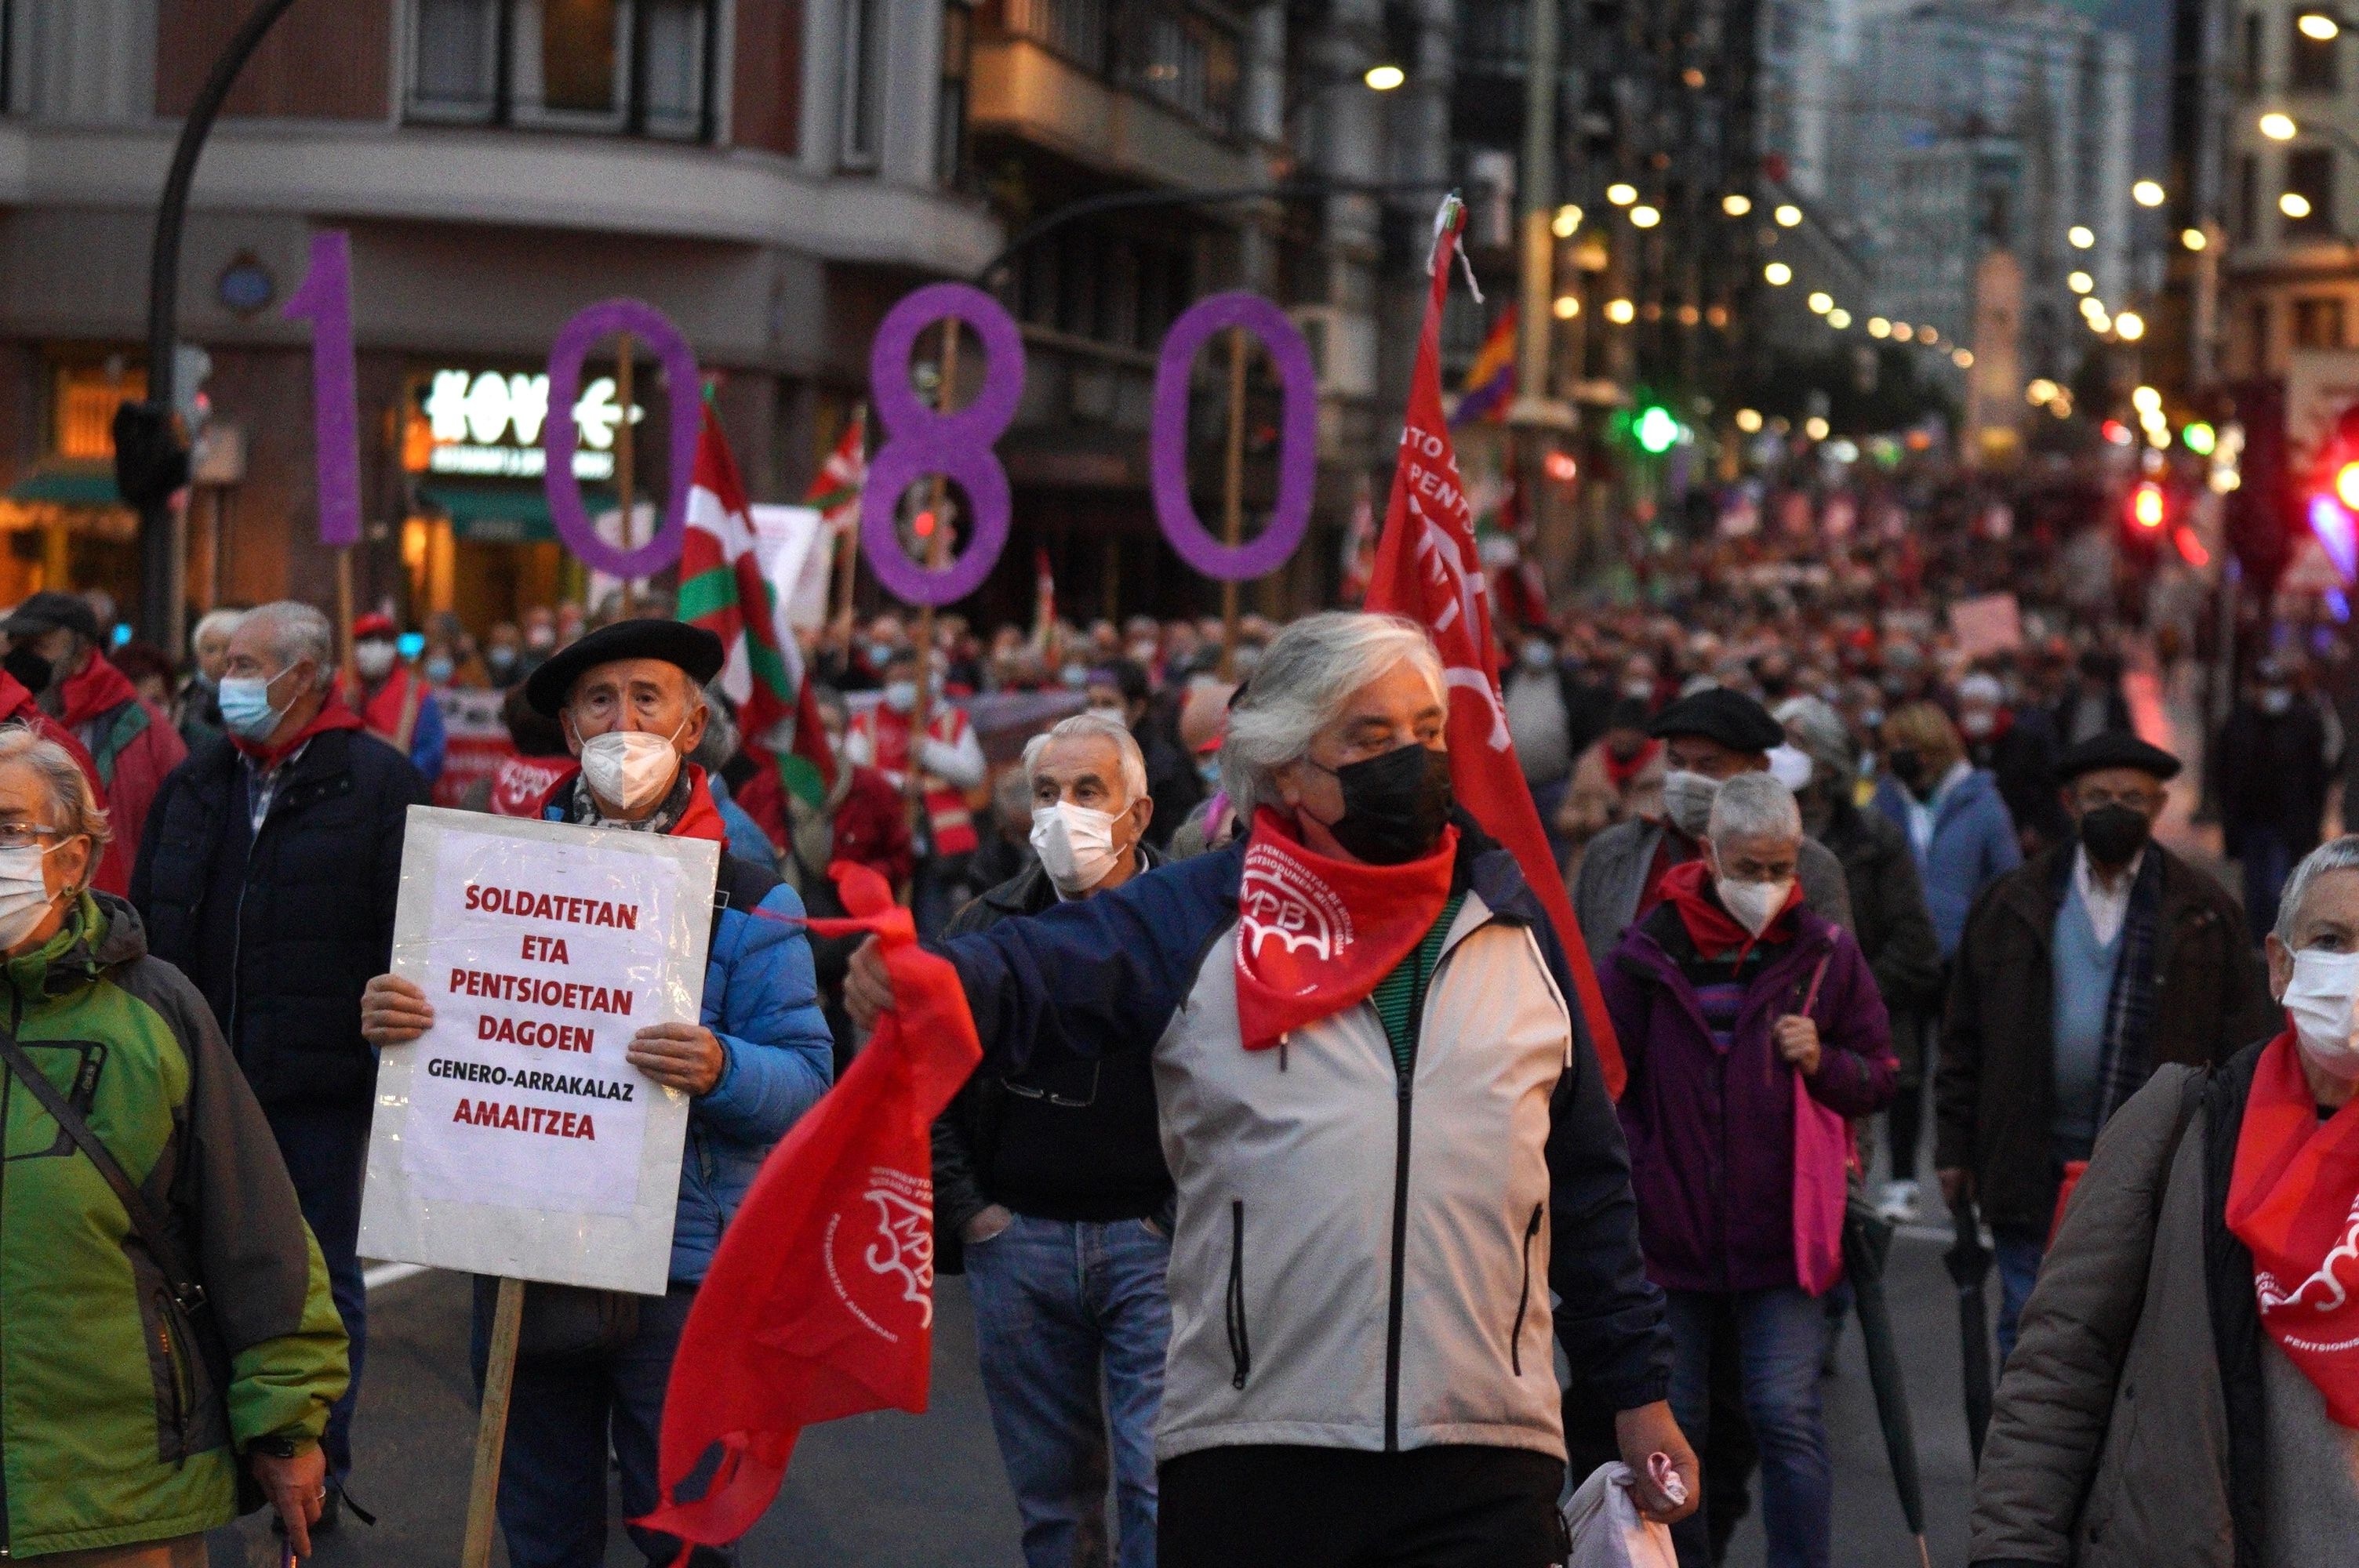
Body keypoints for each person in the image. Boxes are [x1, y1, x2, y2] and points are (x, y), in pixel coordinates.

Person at [848, 612, 1696, 1568]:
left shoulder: (1509, 920)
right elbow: (1031, 970)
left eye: (1424, 733)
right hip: (1256, 1449)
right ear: (1286, 765)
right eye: (1368, 739)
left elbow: (1584, 1178)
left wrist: (1637, 1391)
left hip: (1485, 1450)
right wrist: (919, 980)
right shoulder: (1200, 914)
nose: (1409, 762)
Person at [357, 618, 835, 1568]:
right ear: (570, 730)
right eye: (599, 701)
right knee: (542, 1531)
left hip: (679, 1274)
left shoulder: (748, 893)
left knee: (683, 1534)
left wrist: (721, 1067)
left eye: (647, 697)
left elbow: (808, 1082)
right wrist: (396, 1018)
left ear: (692, 724)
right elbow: (461, 1049)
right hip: (527, 1255)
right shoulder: (490, 875)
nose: (624, 719)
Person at [0, 728, 351, 1565]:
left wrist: (286, 1419)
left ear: (74, 858)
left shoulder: (153, 1013)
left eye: (7, 827)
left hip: (117, 1494)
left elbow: (256, 1230)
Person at [1968, 835, 2359, 1566]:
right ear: (2279, 965)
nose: (2354, 973)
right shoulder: (2182, 1126)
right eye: (2332, 940)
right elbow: (2059, 1364)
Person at [129, 600, 427, 1521]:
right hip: (196, 1080)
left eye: (252, 665)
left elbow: (416, 939)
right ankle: (219, 1453)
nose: (230, 681)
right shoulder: (199, 780)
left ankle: (316, 1468)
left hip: (316, 1089)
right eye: (227, 662)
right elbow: (150, 913)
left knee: (317, 1282)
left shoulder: (379, 784)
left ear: (308, 675)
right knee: (189, 1271)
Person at [1604, 772, 1895, 1568]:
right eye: (1749, 866)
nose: (1765, 886)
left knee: (1785, 1415)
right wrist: (1646, 1170)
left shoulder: (1821, 952)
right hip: (1673, 1238)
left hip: (1781, 1236)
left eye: (1779, 868)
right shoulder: (1646, 954)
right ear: (1708, 852)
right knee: (1677, 1428)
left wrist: (1824, 1059)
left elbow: (1878, 1070)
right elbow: (1606, 1083)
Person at [1935, 731, 2276, 1359]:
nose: (2114, 809)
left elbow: (2243, 1046)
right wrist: (1954, 1148)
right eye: (2098, 796)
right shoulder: (2012, 902)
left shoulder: (2204, 910)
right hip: (2028, 1155)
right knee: (2029, 1323)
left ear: (2157, 805)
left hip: (2153, 1165)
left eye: (2131, 797)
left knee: (2127, 1335)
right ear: (2069, 803)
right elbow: (1964, 1037)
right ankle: (2022, 1458)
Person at [933, 711, 1171, 1568]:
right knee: (1052, 1502)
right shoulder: (983, 927)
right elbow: (928, 1084)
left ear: (1136, 814)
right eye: (1045, 793)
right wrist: (970, 1212)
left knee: (1158, 1483)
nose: (1061, 811)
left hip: (1155, 1247)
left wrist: (1177, 1217)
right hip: (1019, 1244)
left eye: (1085, 791)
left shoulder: (1190, 928)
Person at [1780, 698, 1943, 1221]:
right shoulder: (1753, 836)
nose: (1783, 754)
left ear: (1826, 763)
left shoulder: (1874, 838)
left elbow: (1915, 942)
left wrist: (1850, 995)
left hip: (1855, 1030)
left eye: (1797, 742)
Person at [1572, 685, 1852, 971]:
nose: (1688, 779)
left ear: (1758, 768)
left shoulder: (1808, 865)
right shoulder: (1614, 853)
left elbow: (1837, 977)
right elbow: (1574, 959)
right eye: (1677, 762)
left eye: (1709, 765)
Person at [1870, 701, 2019, 1218]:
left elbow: (2005, 879)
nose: (1895, 762)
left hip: (1963, 960)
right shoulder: (1886, 801)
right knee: (1904, 1070)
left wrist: (1990, 947)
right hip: (1905, 956)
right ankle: (1902, 1177)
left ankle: (1969, 1174)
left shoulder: (1981, 803)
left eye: (1904, 750)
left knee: (1964, 1072)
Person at [2, 590, 187, 898]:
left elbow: (180, 832)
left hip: (115, 905)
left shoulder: (143, 729)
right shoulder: (15, 714)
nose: (23, 658)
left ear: (83, 652)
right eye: (17, 645)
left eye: (39, 646)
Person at [848, 648, 986, 932]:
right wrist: (899, 784)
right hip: (883, 844)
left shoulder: (951, 720)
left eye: (910, 680)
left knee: (933, 929)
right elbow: (854, 774)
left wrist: (927, 750)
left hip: (940, 849)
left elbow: (973, 773)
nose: (902, 687)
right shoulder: (868, 723)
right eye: (896, 680)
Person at [2217, 655, 2335, 940]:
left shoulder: (2304, 722)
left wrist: (2312, 824)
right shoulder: (2240, 722)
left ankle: (2278, 944)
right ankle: (2261, 948)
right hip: (2252, 823)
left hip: (2288, 826)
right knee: (2256, 893)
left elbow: (2316, 777)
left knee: (2276, 890)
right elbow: (2225, 775)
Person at [1504, 626, 1608, 862]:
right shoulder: (1505, 680)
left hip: (1555, 784)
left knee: (1555, 851)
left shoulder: (1570, 686)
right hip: (1511, 787)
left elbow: (1586, 732)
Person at [1087, 659, 1201, 851]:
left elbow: (1171, 841)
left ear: (1138, 708)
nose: (1097, 712)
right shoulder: (1086, 757)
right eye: (1092, 703)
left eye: (1108, 704)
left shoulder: (1166, 769)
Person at [1956, 672, 2067, 855]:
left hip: (2021, 835)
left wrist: (2036, 827)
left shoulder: (2026, 741)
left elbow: (2048, 787)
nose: (1974, 715)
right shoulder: (1959, 745)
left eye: (1980, 708)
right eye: (1970, 709)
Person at [1555, 696, 1666, 881]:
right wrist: (1587, 820)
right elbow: (1565, 816)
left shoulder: (1662, 771)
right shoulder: (1590, 766)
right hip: (1592, 866)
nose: (1622, 738)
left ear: (1642, 734)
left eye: (1629, 732)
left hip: (1642, 869)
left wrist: (1629, 819)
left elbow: (1665, 821)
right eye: (1617, 731)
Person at [340, 612, 448, 783]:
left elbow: (430, 758)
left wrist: (392, 779)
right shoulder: (339, 686)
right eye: (367, 640)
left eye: (385, 640)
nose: (377, 647)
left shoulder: (416, 692)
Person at [179, 605, 244, 752]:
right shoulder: (184, 693)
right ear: (197, 653)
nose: (219, 658)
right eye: (210, 649)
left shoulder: (253, 695)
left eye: (228, 649)